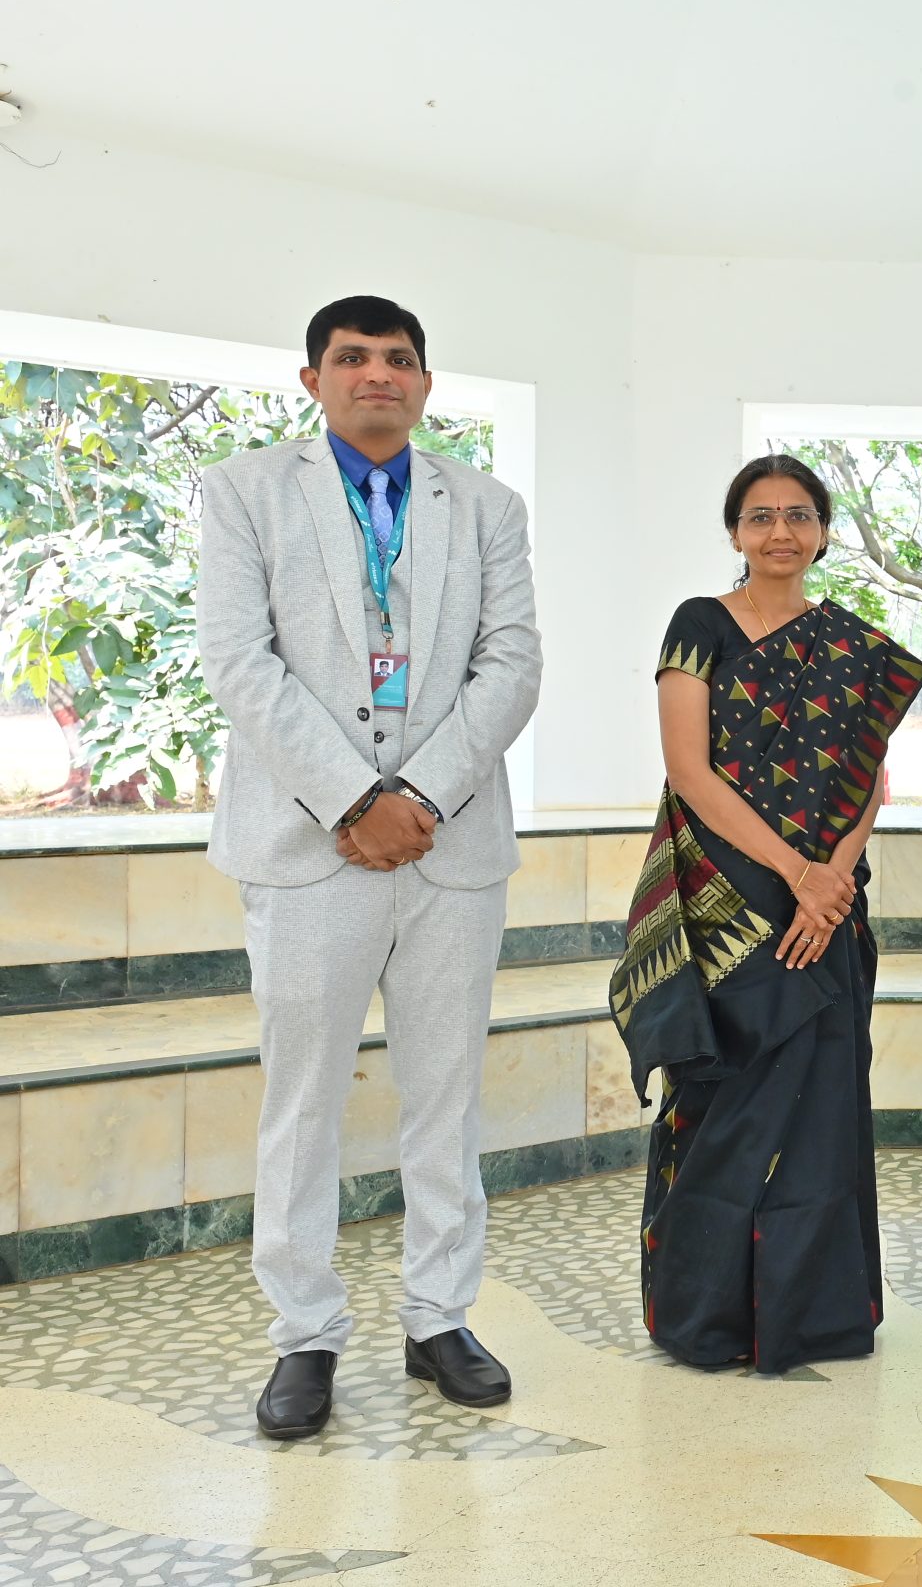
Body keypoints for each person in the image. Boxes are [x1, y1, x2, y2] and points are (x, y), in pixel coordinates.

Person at [198, 296, 542, 1440]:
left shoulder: (486, 504)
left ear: (427, 385)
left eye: (400, 359)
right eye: (353, 358)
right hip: (310, 847)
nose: (378, 375)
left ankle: (439, 1316)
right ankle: (303, 1334)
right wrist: (353, 797)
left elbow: (512, 660)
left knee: (444, 1096)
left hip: (448, 846)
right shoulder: (246, 490)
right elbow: (239, 662)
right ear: (313, 380)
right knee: (303, 1102)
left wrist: (420, 795)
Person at [609, 454, 922, 1373]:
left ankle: (817, 1315)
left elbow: (869, 781)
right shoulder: (699, 626)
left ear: (822, 531)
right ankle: (705, 1316)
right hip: (730, 902)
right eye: (760, 516)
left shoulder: (849, 644)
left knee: (822, 1105)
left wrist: (834, 875)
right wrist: (798, 870)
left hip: (825, 905)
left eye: (797, 515)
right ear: (736, 532)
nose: (779, 531)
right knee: (726, 1106)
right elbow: (690, 771)